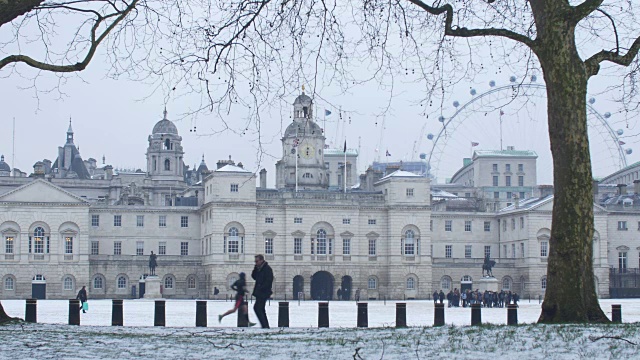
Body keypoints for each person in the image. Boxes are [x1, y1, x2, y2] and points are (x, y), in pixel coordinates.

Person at [251, 254, 273, 328]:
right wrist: (255, 268)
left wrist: (261, 288)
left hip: (263, 292)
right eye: (255, 261)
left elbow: (269, 281)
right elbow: (254, 276)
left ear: (261, 260)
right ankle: (265, 325)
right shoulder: (259, 268)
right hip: (259, 292)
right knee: (260, 308)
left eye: (257, 261)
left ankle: (265, 325)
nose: (256, 263)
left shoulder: (267, 269)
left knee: (258, 308)